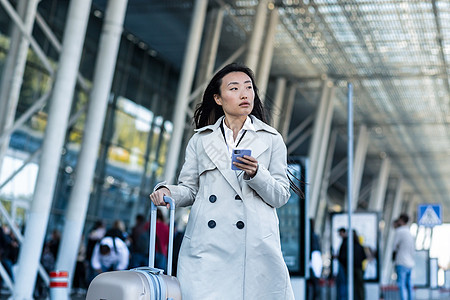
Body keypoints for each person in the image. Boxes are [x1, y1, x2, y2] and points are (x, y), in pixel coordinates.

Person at [150, 63, 295, 299]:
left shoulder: (271, 139)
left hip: (254, 248)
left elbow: (280, 196)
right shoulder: (201, 140)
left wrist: (257, 174)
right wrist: (167, 191)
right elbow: (189, 190)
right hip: (207, 247)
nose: (244, 94)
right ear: (218, 99)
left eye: (249, 87)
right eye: (235, 88)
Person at [393, 213, 415, 300]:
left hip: (401, 262)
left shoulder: (400, 231)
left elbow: (394, 246)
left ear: (401, 220)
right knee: (409, 285)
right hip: (410, 263)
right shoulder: (410, 232)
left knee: (401, 285)